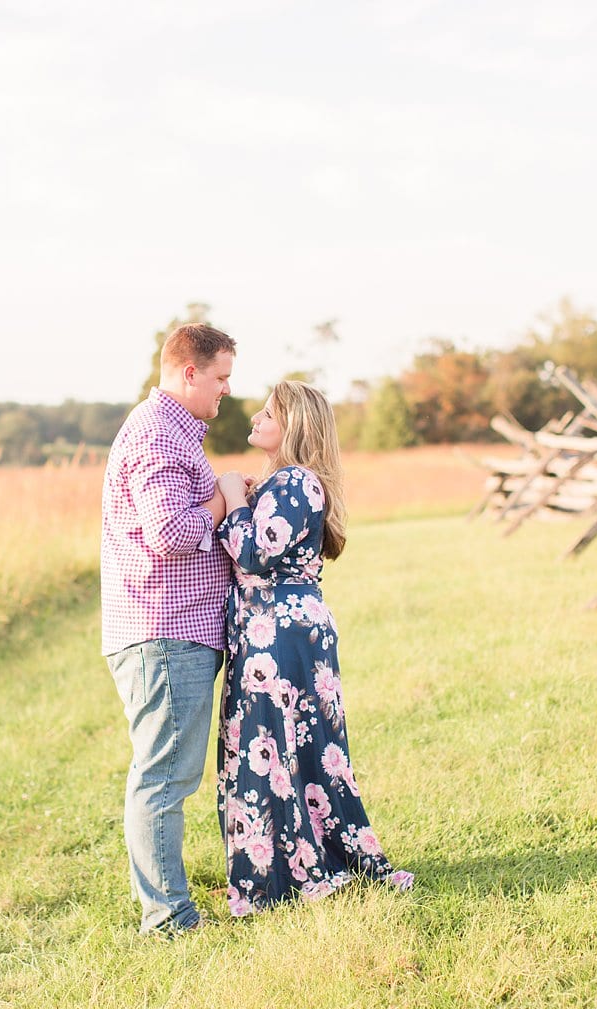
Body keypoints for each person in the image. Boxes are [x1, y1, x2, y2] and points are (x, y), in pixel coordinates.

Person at [213, 380, 413, 917]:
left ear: (294, 425)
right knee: (290, 745)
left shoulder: (298, 482)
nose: (255, 416)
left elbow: (254, 556)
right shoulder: (287, 484)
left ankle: (285, 873)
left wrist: (234, 497)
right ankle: (299, 860)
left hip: (279, 634)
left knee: (277, 743)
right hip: (279, 630)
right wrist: (253, 498)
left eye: (269, 412)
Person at [101, 322, 236, 935]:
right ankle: (168, 917)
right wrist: (223, 501)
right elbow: (172, 533)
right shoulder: (159, 436)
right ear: (189, 372)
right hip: (165, 631)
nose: (226, 392)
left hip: (175, 630)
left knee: (168, 773)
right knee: (163, 776)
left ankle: (169, 904)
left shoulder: (174, 432)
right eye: (221, 378)